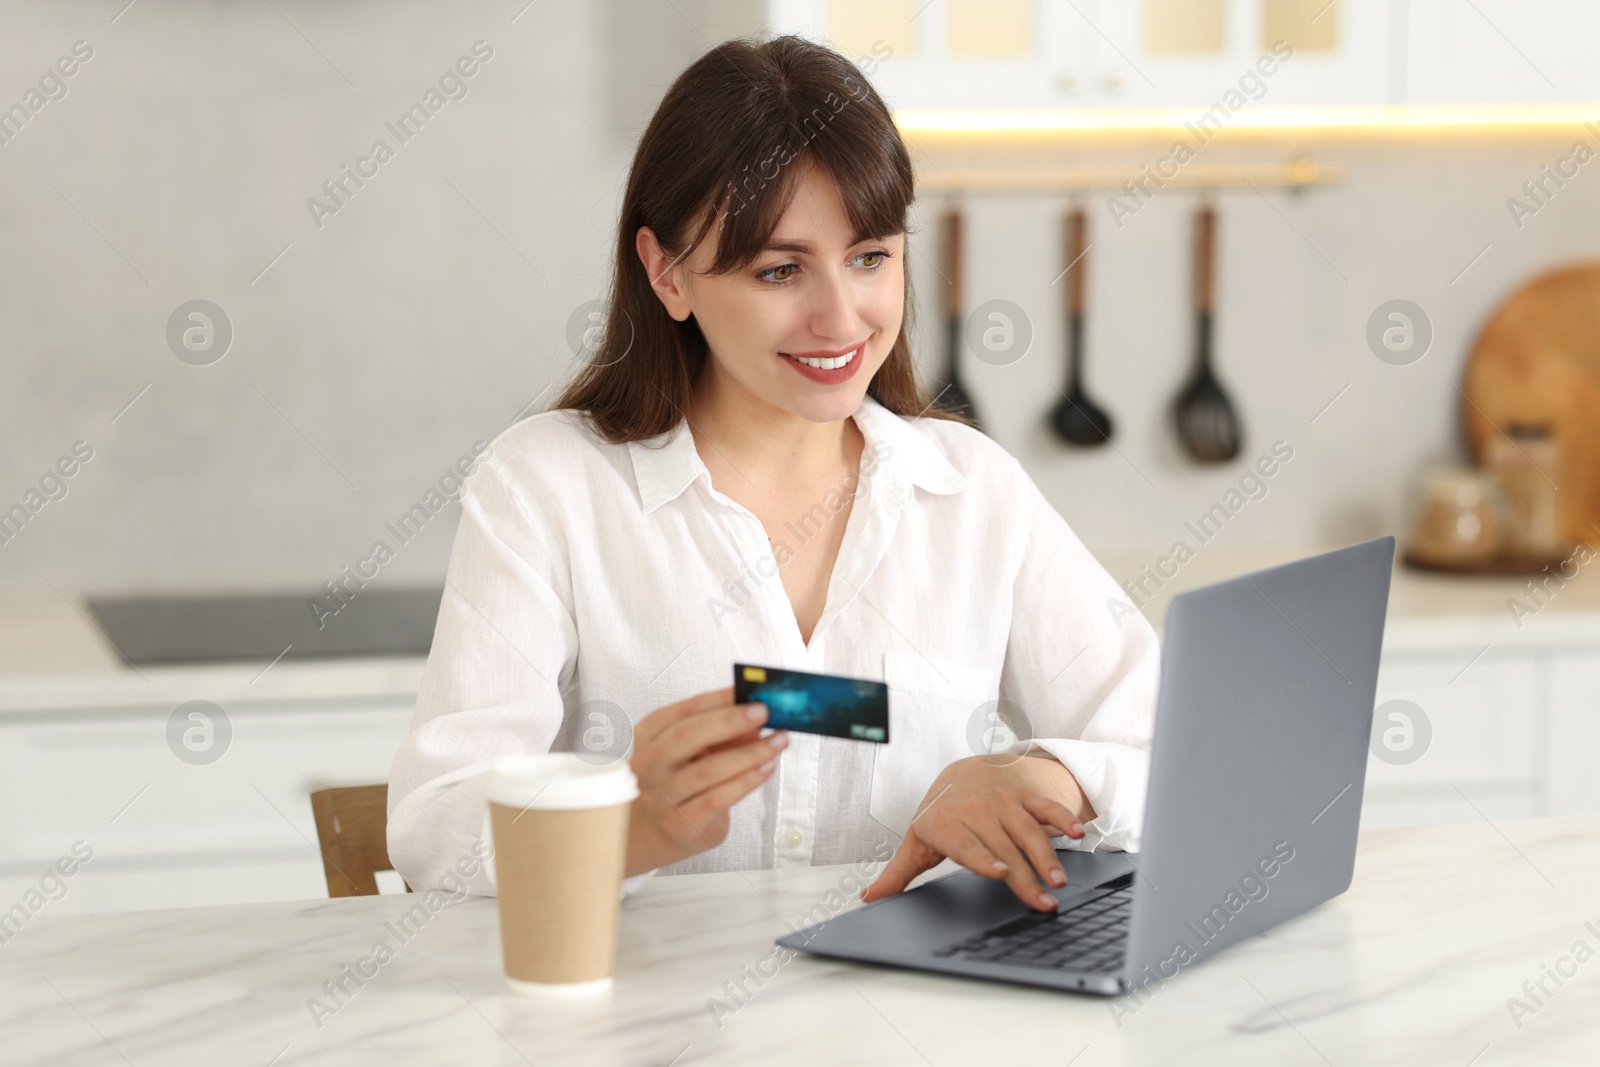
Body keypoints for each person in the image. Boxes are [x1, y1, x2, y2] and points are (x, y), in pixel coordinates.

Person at [387, 34, 1158, 914]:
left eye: (870, 256)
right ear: (667, 272)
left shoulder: (973, 491)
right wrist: (628, 826)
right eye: (781, 269)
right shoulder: (547, 488)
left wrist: (1035, 776)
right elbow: (432, 821)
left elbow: (1171, 740)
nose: (841, 318)